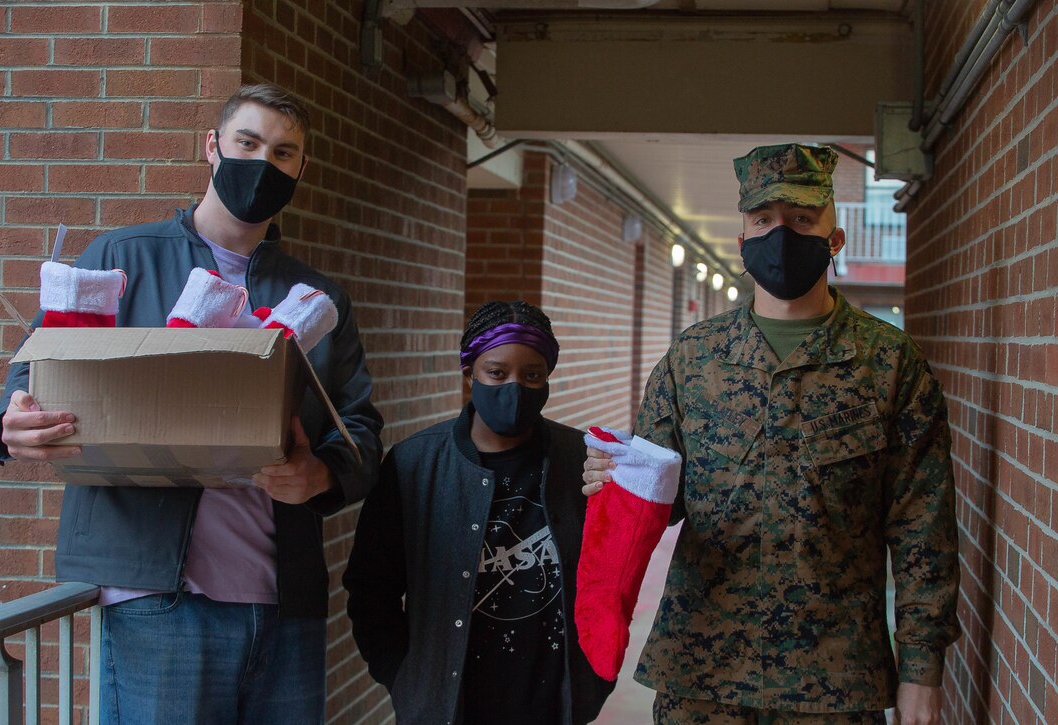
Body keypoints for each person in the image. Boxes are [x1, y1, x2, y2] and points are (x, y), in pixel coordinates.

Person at [0, 83, 383, 725]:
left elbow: (358, 428)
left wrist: (322, 474)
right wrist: (14, 426)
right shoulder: (120, 258)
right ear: (212, 147)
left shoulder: (317, 299)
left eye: (283, 154)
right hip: (156, 597)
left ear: (301, 170)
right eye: (247, 143)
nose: (262, 164)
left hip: (284, 605)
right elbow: (35, 373)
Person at [582, 144, 961, 725]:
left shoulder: (888, 364)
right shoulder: (693, 359)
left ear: (835, 239)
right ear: (742, 243)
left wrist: (921, 672)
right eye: (764, 221)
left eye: (802, 219)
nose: (781, 235)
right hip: (702, 674)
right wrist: (611, 478)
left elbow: (921, 529)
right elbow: (658, 500)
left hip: (834, 684)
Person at [343, 301, 615, 725]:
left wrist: (594, 676)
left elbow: (612, 578)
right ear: (470, 371)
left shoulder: (580, 462)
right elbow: (370, 588)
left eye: (532, 375)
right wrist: (404, 677)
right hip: (450, 704)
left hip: (551, 702)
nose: (514, 388)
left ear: (548, 378)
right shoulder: (415, 464)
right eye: (496, 372)